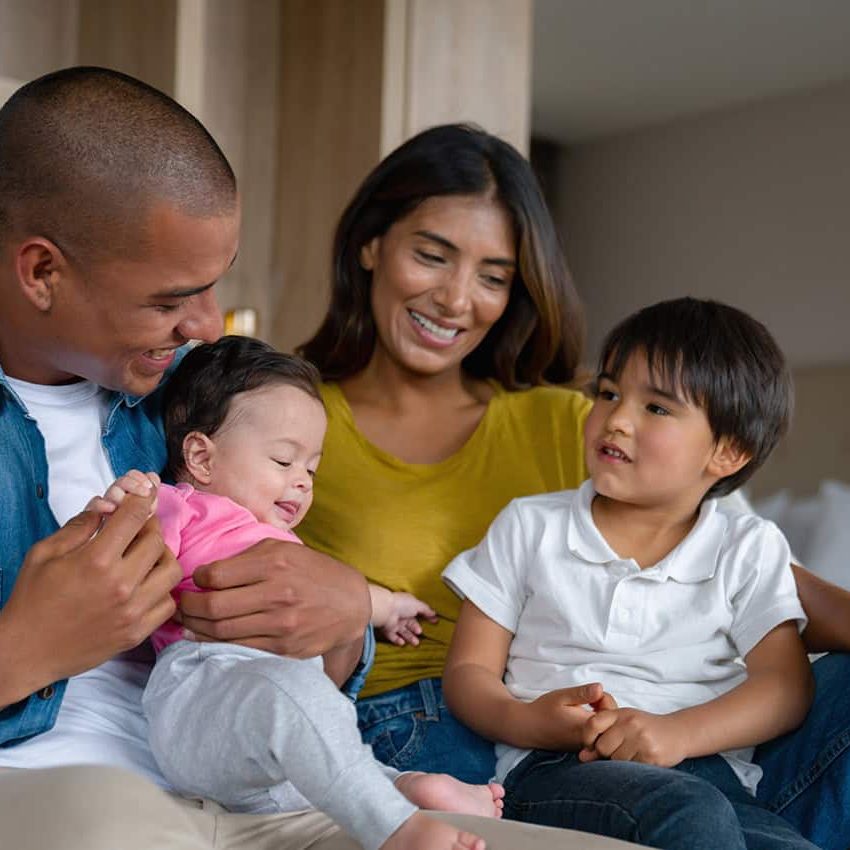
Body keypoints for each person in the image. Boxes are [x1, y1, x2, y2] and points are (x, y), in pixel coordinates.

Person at [0, 67, 637, 850]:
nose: (205, 326)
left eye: (213, 288)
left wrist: (342, 621)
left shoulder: (195, 400)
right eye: (169, 300)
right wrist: (24, 647)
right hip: (64, 783)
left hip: (258, 784)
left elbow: (296, 665)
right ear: (41, 272)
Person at [296, 122, 850, 849]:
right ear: (371, 244)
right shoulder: (290, 418)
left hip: (680, 745)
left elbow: (757, 573)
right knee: (690, 814)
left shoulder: (571, 420)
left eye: (493, 276)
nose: (457, 299)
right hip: (448, 721)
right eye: (432, 256)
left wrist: (679, 729)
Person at [90, 335, 501, 850]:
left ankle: (409, 785)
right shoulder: (183, 508)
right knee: (297, 700)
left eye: (312, 468)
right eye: (284, 462)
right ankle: (397, 828)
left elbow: (340, 599)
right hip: (201, 690)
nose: (303, 483)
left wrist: (389, 606)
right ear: (201, 457)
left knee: (322, 726)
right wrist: (123, 508)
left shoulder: (281, 541)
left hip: (272, 720)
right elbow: (119, 567)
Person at [442, 297, 818, 849]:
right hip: (558, 767)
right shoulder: (530, 526)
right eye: (609, 393)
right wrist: (531, 722)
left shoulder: (747, 546)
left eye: (657, 408)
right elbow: (469, 671)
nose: (615, 419)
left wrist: (676, 734)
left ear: (728, 451)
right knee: (687, 812)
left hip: (706, 771)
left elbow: (785, 685)